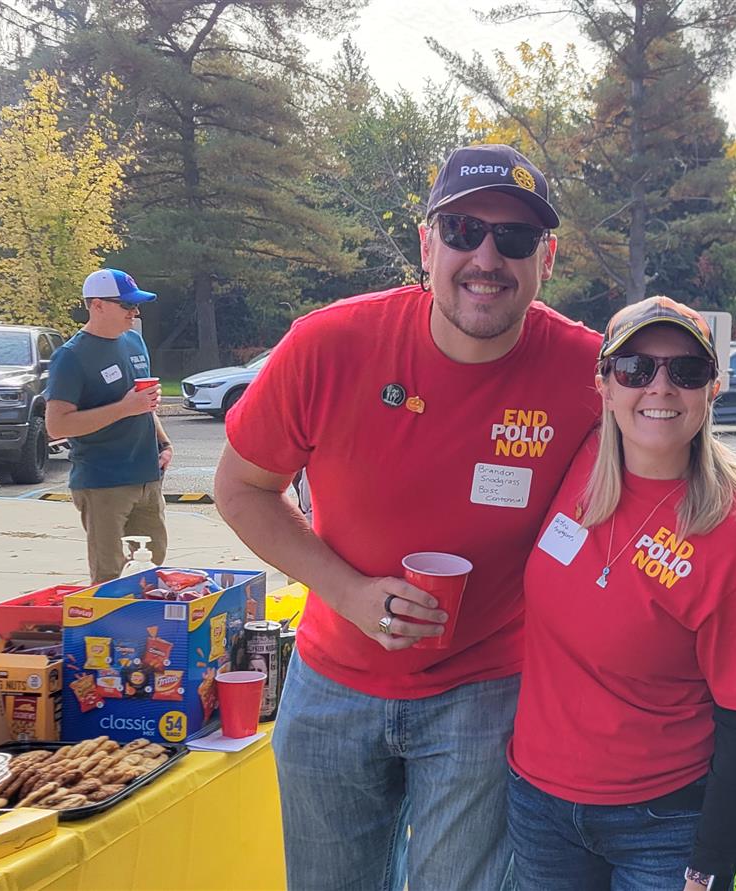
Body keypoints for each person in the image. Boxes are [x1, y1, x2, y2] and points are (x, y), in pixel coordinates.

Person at [215, 144, 602, 891]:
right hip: (332, 681)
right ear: (427, 245)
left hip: (487, 688)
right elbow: (241, 488)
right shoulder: (330, 344)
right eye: (463, 230)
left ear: (546, 259)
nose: (486, 257)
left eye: (514, 237)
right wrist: (351, 593)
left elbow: (667, 454)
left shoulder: (586, 373)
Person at [508, 297, 736, 891]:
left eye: (686, 370)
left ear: (711, 390)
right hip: (538, 804)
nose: (660, 387)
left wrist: (710, 863)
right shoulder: (576, 464)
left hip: (662, 823)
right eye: (635, 368)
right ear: (604, 385)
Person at [43, 268, 169, 583]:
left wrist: (164, 443)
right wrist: (124, 408)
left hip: (147, 476)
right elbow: (57, 426)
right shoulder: (71, 357)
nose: (134, 312)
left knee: (152, 568)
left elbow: (143, 403)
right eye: (126, 305)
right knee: (110, 575)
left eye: (136, 305)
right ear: (97, 305)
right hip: (103, 481)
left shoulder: (134, 342)